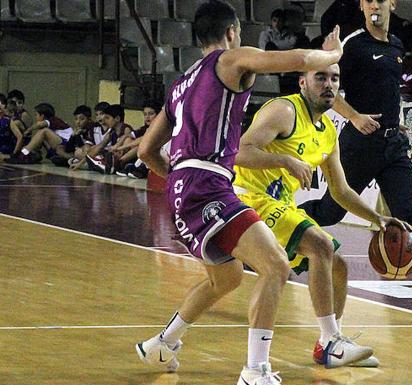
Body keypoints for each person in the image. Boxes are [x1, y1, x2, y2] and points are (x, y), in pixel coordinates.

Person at [135, 1, 343, 384]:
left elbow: (146, 150)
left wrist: (179, 180)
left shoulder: (181, 84)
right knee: (276, 265)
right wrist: (333, 53)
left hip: (182, 188)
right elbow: (294, 59)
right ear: (232, 31)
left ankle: (163, 343)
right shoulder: (229, 60)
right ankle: (255, 370)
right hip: (208, 184)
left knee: (226, 278)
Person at [235, 64, 412, 368]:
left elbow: (341, 190)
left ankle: (328, 342)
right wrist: (285, 160)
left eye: (335, 79)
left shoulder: (329, 132)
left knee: (338, 267)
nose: (329, 85)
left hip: (281, 204)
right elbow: (240, 151)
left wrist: (378, 219)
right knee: (321, 246)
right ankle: (331, 342)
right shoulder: (283, 110)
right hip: (249, 198)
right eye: (320, 77)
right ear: (302, 82)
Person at [299, 0, 412, 316]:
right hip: (359, 145)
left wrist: (394, 118)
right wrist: (354, 117)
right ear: (362, 6)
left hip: (392, 146)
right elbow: (325, 89)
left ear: (393, 3)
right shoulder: (354, 44)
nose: (375, 4)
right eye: (368, 0)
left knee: (408, 217)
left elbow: (387, 90)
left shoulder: (397, 45)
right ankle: (274, 230)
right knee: (330, 211)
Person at [6, 102, 73, 164]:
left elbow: (39, 124)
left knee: (44, 131)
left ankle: (23, 155)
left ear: (42, 116)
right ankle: (36, 155)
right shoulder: (52, 124)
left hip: (67, 144)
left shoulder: (53, 120)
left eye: (36, 115)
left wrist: (28, 130)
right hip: (61, 144)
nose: (35, 117)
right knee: (39, 136)